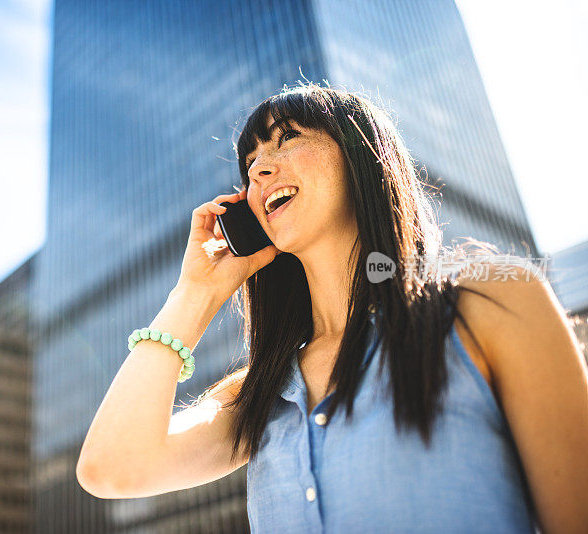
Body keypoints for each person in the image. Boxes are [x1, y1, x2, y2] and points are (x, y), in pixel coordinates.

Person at [76, 83, 588, 533]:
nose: (258, 167)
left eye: (287, 137)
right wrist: (196, 292)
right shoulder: (256, 394)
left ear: (362, 157)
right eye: (249, 162)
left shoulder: (492, 304)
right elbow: (110, 467)